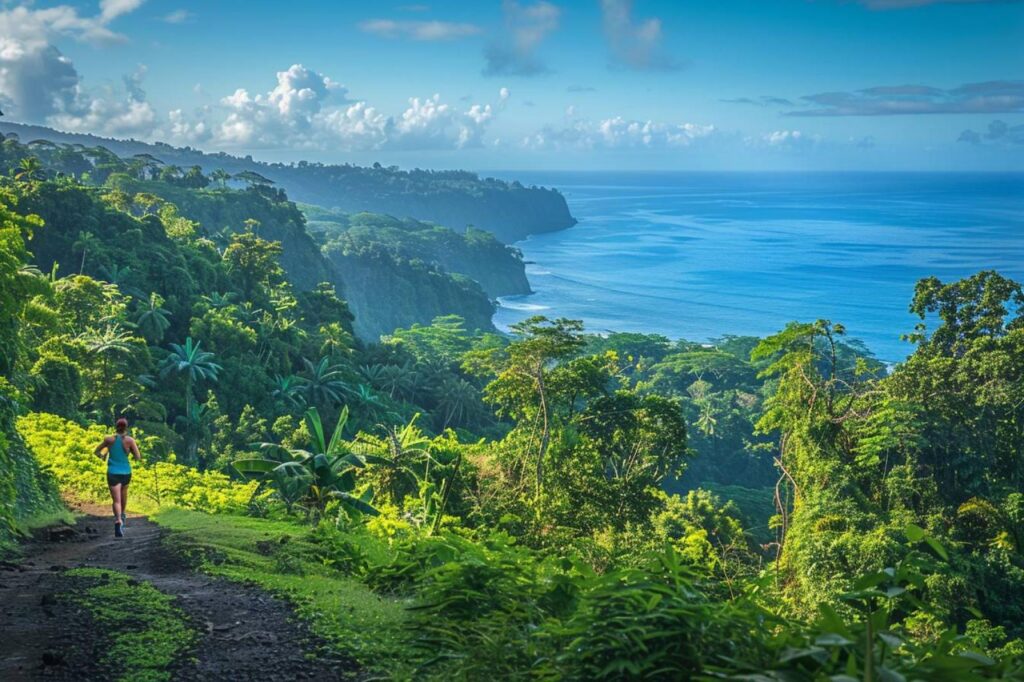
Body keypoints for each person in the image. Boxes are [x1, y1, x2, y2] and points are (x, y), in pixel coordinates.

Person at [94, 418, 142, 538]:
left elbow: (96, 451)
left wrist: (103, 456)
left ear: (116, 427)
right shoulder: (130, 440)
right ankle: (123, 515)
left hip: (112, 472)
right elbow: (138, 457)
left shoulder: (109, 439)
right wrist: (129, 452)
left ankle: (118, 520)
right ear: (126, 427)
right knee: (123, 495)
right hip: (126, 472)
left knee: (116, 500)